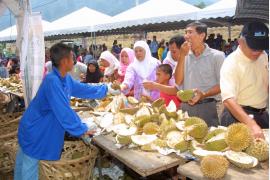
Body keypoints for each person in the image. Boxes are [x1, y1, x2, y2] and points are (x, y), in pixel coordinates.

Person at [14, 43, 109, 180]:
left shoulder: (64, 78)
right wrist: (81, 129)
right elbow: (63, 111)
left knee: (24, 161)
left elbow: (83, 89)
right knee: (29, 167)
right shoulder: (53, 81)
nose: (74, 60)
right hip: (36, 129)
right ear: (64, 61)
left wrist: (105, 89)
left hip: (37, 126)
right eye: (72, 57)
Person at [144, 22, 224, 127]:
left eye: (190, 32)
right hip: (186, 107)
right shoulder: (184, 55)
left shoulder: (217, 56)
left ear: (202, 35)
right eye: (185, 32)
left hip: (207, 106)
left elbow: (222, 85)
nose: (186, 36)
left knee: (207, 137)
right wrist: (182, 56)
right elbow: (178, 81)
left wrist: (203, 94)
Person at [220, 22, 269, 139]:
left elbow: (265, 83)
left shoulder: (263, 56)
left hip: (261, 115)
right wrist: (251, 124)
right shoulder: (231, 63)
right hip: (237, 117)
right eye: (253, 47)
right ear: (240, 41)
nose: (257, 52)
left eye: (260, 47)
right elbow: (228, 99)